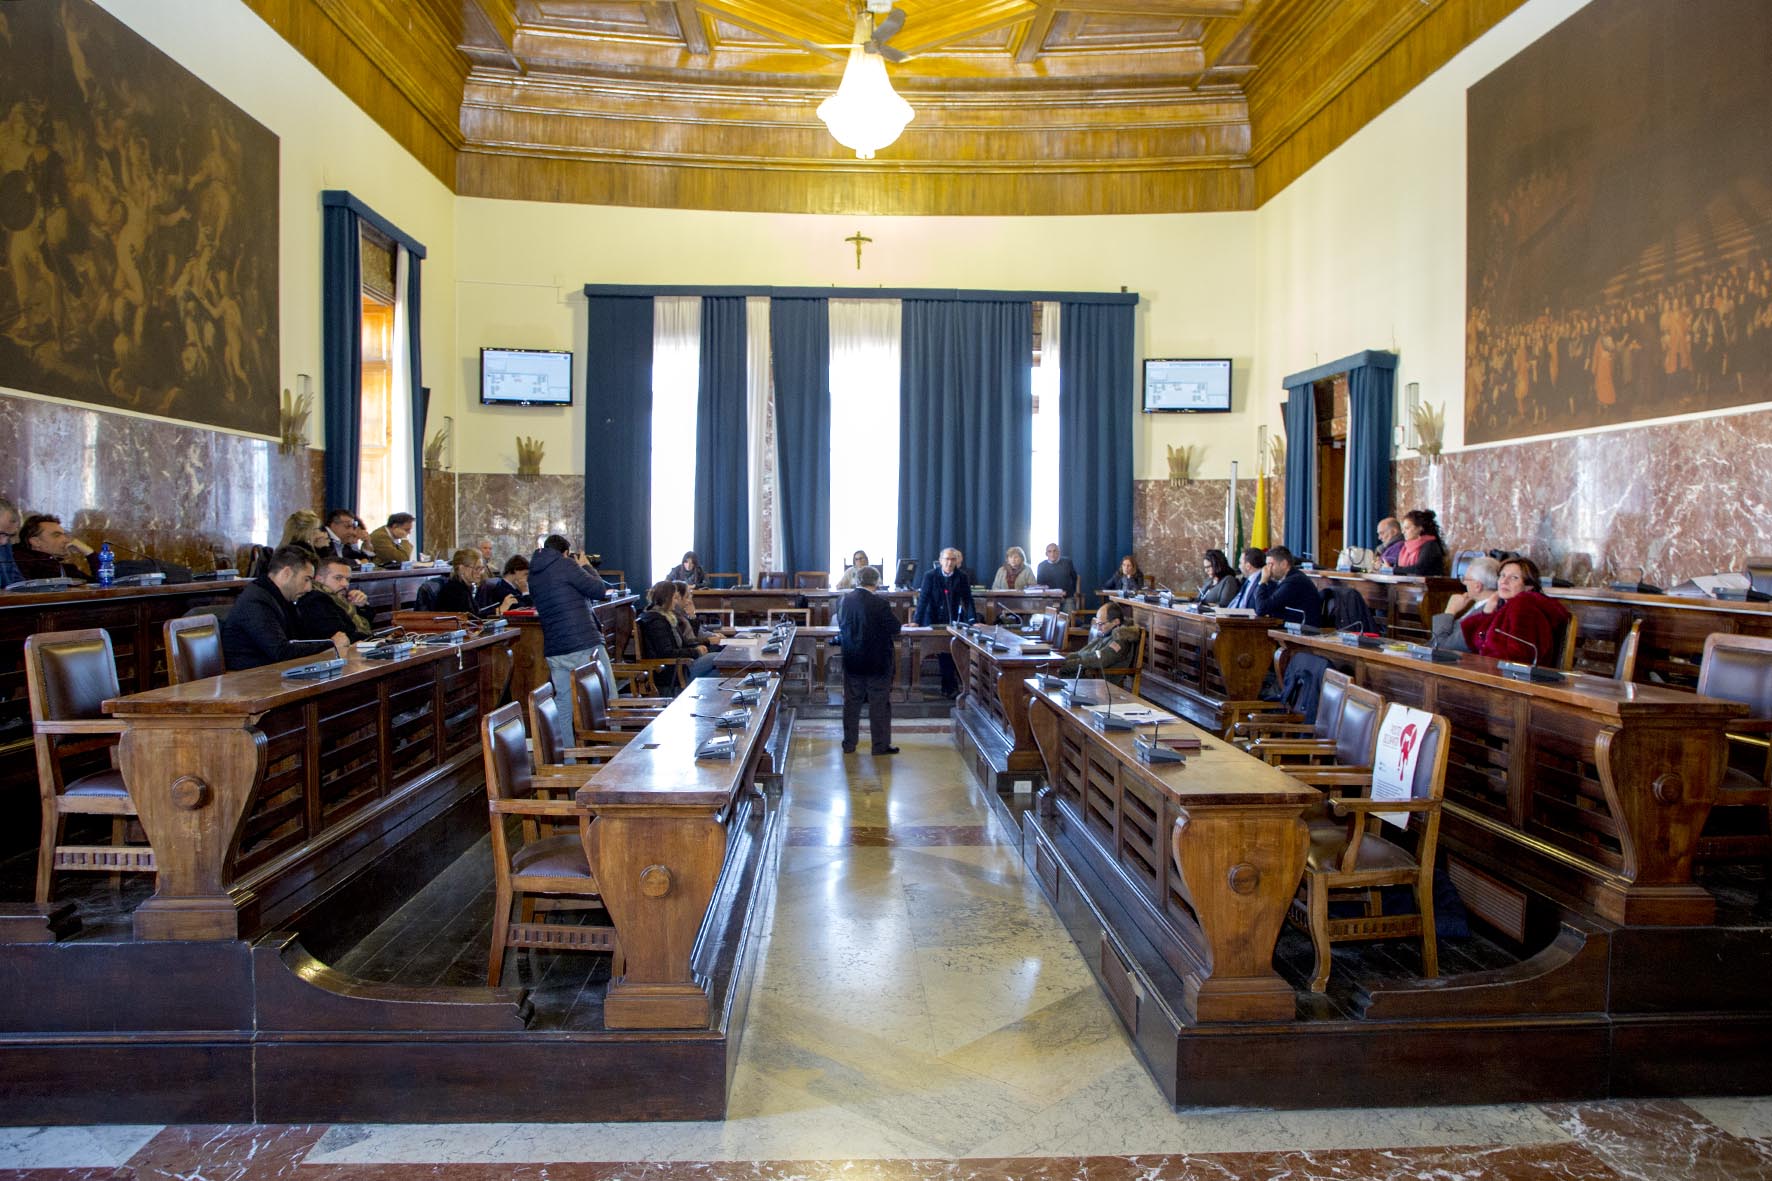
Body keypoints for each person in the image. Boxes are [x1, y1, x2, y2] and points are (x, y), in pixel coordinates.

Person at [221, 545, 348, 671]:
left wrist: (328, 643)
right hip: (249, 680)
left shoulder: (280, 597)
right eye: (306, 579)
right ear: (286, 573)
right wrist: (330, 644)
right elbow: (281, 651)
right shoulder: (255, 601)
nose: (309, 588)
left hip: (273, 673)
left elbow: (299, 640)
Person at [529, 533, 609, 705]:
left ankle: (565, 734)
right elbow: (599, 590)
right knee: (606, 697)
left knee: (564, 702)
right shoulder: (565, 564)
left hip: (555, 648)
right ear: (565, 552)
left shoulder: (533, 573)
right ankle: (614, 732)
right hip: (583, 642)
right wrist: (586, 567)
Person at [837, 564, 902, 755]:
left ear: (857, 580)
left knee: (851, 703)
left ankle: (849, 744)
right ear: (876, 582)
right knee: (879, 704)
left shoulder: (844, 601)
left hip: (852, 659)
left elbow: (842, 626)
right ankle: (880, 746)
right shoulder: (880, 603)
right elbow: (895, 627)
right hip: (878, 662)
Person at [1461, 556, 1571, 665]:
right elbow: (1478, 642)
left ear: (1528, 586)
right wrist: (1486, 613)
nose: (1504, 581)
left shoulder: (1523, 605)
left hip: (1511, 678)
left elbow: (1519, 657)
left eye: (1514, 577)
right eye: (1502, 575)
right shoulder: (1505, 607)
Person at [914, 547, 975, 697]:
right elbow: (923, 599)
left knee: (952, 650)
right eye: (946, 559)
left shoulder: (962, 577)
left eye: (952, 559)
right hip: (933, 618)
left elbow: (968, 600)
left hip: (952, 618)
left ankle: (951, 686)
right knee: (943, 651)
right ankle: (949, 686)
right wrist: (916, 621)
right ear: (940, 561)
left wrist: (973, 621)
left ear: (957, 562)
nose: (949, 562)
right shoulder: (930, 575)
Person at [637, 581, 716, 692]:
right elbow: (667, 653)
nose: (676, 602)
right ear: (666, 599)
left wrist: (698, 647)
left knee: (718, 671)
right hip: (672, 671)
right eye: (674, 598)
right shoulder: (656, 621)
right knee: (718, 660)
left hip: (680, 665)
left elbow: (682, 643)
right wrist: (695, 652)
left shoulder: (667, 617)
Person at [298, 554, 374, 643]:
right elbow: (343, 634)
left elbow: (363, 625)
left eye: (348, 579)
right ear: (319, 579)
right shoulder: (316, 600)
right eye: (338, 578)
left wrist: (361, 606)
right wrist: (377, 639)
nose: (345, 584)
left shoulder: (341, 599)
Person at [1430, 556, 1501, 652]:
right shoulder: (1479, 605)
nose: (1463, 583)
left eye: (1465, 579)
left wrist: (1450, 611)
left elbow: (1441, 646)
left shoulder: (1485, 612)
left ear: (1477, 586)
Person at [1056, 603, 1141, 677]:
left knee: (1052, 674)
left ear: (1116, 621)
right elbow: (1083, 653)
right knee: (1050, 670)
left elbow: (1099, 660)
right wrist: (1062, 660)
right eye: (1097, 623)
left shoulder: (1120, 640)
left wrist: (1067, 664)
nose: (1098, 628)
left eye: (1101, 624)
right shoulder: (1106, 633)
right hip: (1085, 672)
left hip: (1098, 679)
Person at [1254, 545, 1321, 627]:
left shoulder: (1294, 582)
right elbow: (1264, 604)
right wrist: (1267, 581)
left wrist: (1263, 581)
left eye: (1270, 564)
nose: (1267, 569)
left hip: (1302, 632)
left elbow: (1261, 609)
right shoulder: (1286, 579)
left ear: (1283, 564)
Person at [14, 514, 95, 581]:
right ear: (36, 542)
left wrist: (89, 552)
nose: (66, 540)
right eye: (56, 535)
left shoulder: (64, 568)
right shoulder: (17, 564)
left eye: (64, 535)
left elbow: (103, 584)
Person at [1390, 509, 1448, 576]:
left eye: (1407, 528)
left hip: (1428, 585)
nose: (1403, 532)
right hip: (1408, 584)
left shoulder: (1430, 545)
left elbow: (1419, 569)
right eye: (1403, 529)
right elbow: (1397, 567)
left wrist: (1392, 569)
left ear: (1420, 528)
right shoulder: (1405, 547)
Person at [432, 548, 486, 614]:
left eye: (482, 568)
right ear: (462, 568)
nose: (480, 572)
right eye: (477, 568)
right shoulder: (454, 592)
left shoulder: (466, 588)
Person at [1035, 542, 1080, 611]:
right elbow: (1040, 585)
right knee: (1047, 617)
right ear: (1046, 554)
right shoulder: (1041, 566)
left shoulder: (1067, 562)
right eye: (1049, 552)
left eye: (1055, 551)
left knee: (1069, 615)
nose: (1052, 554)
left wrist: (1072, 593)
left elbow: (1075, 578)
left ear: (1059, 552)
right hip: (1049, 599)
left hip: (1067, 598)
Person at [0, 496, 23, 587]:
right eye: (1, 533)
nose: (4, 542)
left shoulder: (5, 547)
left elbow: (17, 582)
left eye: (9, 536)